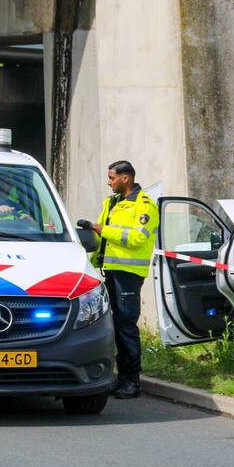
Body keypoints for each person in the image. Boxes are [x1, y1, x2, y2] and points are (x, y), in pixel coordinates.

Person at [90, 160, 159, 399]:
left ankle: (133, 381)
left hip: (129, 275)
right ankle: (121, 378)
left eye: (112, 178)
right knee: (115, 326)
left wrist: (103, 230)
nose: (108, 182)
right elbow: (100, 239)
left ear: (125, 178)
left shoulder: (145, 205)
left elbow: (137, 239)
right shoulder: (111, 202)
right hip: (110, 271)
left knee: (127, 326)